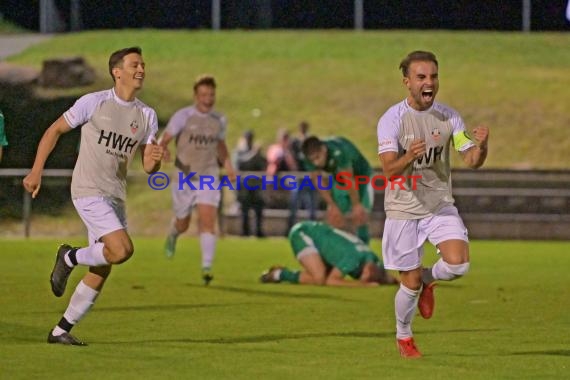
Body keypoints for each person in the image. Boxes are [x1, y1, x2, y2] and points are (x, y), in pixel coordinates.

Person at [22, 46, 164, 346]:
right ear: (117, 71)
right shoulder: (94, 102)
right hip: (88, 189)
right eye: (135, 64)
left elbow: (150, 166)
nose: (141, 69)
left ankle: (61, 329)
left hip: (115, 194)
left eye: (143, 64)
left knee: (103, 266)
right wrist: (36, 171)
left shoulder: (147, 115)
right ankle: (70, 256)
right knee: (122, 249)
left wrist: (155, 158)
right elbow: (54, 131)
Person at [376, 50, 489, 358]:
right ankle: (404, 335)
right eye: (422, 77)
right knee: (408, 284)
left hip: (438, 203)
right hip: (403, 208)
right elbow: (388, 171)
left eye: (434, 76)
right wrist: (409, 157)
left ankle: (429, 278)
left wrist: (482, 146)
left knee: (458, 264)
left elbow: (471, 160)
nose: (430, 82)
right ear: (407, 82)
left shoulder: (449, 117)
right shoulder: (391, 120)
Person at [159, 74, 236, 285]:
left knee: (207, 219)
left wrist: (228, 166)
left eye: (211, 94)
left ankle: (207, 266)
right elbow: (164, 139)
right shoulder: (183, 116)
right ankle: (174, 234)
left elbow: (220, 145)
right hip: (184, 177)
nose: (208, 99)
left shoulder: (219, 120)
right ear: (196, 95)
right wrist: (162, 150)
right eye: (203, 94)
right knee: (183, 223)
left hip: (208, 176)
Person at [260, 221, 397, 286]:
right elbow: (332, 281)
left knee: (321, 274)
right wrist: (364, 285)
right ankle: (278, 274)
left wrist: (399, 283)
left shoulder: (372, 258)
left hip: (317, 232)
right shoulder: (352, 259)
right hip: (303, 233)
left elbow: (387, 277)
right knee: (320, 278)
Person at [302, 136, 373, 244]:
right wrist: (332, 205)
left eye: (318, 157)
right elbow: (317, 180)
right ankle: (335, 252)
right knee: (334, 217)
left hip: (362, 177)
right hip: (340, 179)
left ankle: (364, 251)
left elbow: (349, 178)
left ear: (323, 149)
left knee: (360, 215)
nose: (316, 163)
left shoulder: (339, 151)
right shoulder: (308, 158)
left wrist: (356, 204)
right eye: (312, 160)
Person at [233, 130, 267, 237]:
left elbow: (263, 164)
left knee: (259, 209)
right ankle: (245, 232)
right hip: (244, 186)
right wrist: (254, 153)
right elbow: (241, 163)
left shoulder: (256, 151)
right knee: (244, 210)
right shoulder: (239, 151)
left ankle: (258, 231)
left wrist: (259, 155)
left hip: (256, 185)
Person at [287, 121, 317, 230]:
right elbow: (291, 155)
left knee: (312, 204)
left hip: (309, 176)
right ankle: (290, 227)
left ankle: (313, 228)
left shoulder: (311, 141)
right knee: (294, 203)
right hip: (298, 176)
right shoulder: (295, 141)